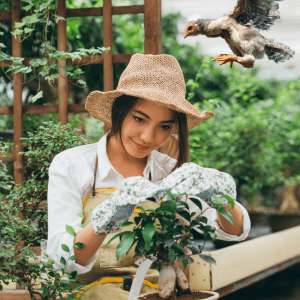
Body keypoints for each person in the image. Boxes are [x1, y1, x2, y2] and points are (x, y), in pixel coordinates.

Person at [47, 53, 250, 299]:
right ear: (119, 112)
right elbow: (61, 259)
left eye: (164, 126)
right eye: (139, 119)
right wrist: (108, 216)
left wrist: (221, 198)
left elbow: (233, 230)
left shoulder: (171, 172)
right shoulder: (72, 165)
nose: (148, 137)